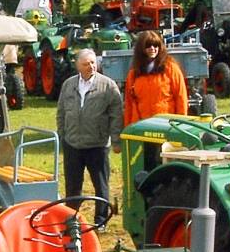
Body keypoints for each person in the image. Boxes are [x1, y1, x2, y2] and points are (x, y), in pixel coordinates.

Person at [56, 48, 124, 224]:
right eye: (86, 64)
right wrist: (62, 134)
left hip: (98, 145)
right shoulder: (68, 85)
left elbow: (117, 115)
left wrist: (116, 140)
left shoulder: (108, 86)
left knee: (101, 186)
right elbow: (61, 112)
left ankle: (101, 220)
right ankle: (71, 219)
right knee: (72, 187)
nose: (91, 67)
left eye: (93, 63)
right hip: (72, 145)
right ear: (78, 65)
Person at [123, 30, 188, 127]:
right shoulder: (133, 74)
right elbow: (128, 103)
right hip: (141, 126)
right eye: (148, 46)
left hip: (167, 125)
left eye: (155, 45)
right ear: (141, 49)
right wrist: (128, 128)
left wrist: (180, 125)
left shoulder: (171, 68)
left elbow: (181, 97)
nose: (152, 48)